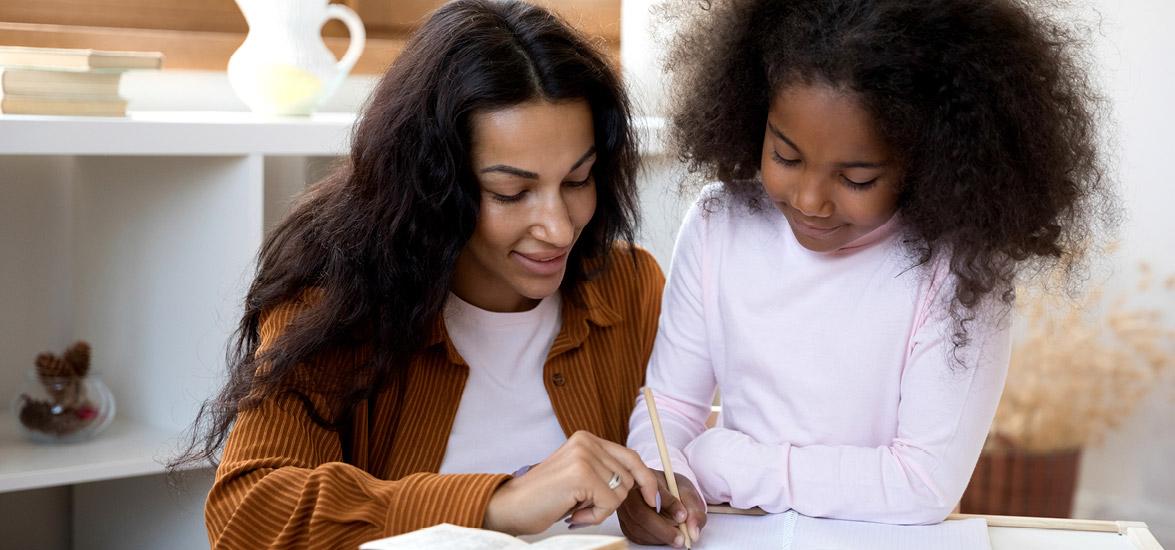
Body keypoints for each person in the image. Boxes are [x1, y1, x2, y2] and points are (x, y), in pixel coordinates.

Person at [169, 1, 682, 548]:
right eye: (511, 192)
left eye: (577, 180)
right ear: (435, 187)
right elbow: (245, 514)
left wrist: (672, 490)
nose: (558, 228)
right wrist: (496, 504)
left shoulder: (630, 286)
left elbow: (679, 436)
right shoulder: (334, 302)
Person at [622, 0, 1111, 532]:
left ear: (927, 159)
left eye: (856, 179)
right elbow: (667, 405)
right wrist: (657, 478)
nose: (810, 200)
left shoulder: (959, 273)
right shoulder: (720, 223)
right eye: (785, 157)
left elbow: (923, 485)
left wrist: (729, 464)